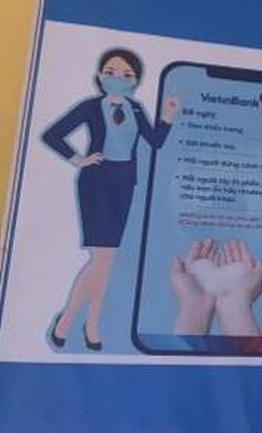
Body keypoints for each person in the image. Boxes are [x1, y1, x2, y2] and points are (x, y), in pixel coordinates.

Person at [41, 48, 180, 352]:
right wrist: (77, 159)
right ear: (101, 76)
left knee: (107, 260)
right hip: (96, 183)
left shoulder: (137, 109)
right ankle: (74, 321)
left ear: (135, 80)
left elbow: (155, 142)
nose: (118, 78)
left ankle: (88, 322)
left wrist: (168, 117)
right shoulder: (91, 106)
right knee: (103, 259)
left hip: (124, 185)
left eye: (127, 74)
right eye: (111, 72)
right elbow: (52, 134)